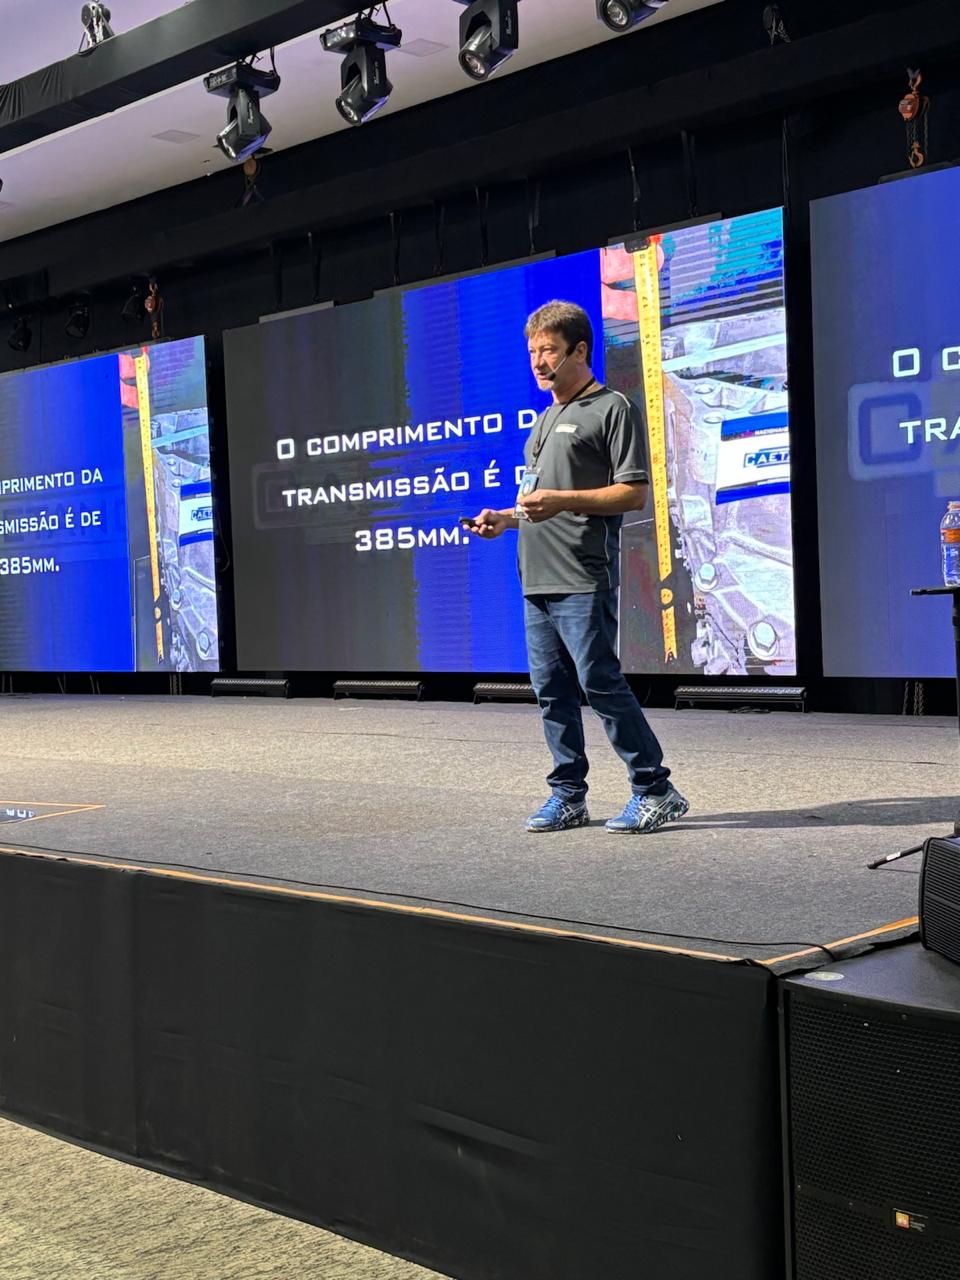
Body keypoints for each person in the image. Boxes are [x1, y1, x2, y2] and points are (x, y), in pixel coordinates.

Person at [467, 300, 687, 834]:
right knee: (551, 691)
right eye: (532, 352)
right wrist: (505, 519)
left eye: (549, 351)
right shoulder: (543, 420)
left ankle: (655, 789)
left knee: (599, 682)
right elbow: (538, 502)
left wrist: (561, 500)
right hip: (536, 576)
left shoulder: (612, 408)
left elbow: (633, 494)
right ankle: (568, 795)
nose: (539, 362)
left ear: (580, 350)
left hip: (582, 574)